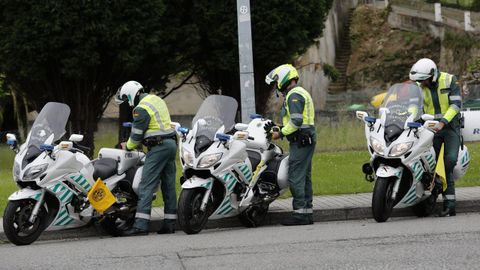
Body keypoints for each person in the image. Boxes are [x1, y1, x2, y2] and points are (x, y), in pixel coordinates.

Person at [114, 80, 178, 235]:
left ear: (130, 95)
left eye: (126, 100)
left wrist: (127, 146)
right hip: (171, 144)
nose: (128, 104)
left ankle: (141, 226)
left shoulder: (140, 109)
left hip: (158, 147)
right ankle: (170, 224)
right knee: (169, 185)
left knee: (146, 185)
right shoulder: (157, 100)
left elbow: (136, 136)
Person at [409, 58, 462, 217]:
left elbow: (455, 105)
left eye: (423, 80)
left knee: (449, 162)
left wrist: (443, 122)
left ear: (432, 75)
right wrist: (410, 118)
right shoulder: (419, 85)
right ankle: (430, 197)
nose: (421, 83)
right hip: (429, 129)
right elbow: (413, 105)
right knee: (429, 164)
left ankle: (449, 204)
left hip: (450, 127)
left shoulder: (450, 80)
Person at [265, 64, 316, 226]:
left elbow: (296, 121)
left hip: (301, 141)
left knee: (295, 176)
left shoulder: (294, 95)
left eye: (277, 81)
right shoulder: (299, 93)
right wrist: (279, 127)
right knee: (305, 177)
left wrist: (279, 133)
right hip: (304, 139)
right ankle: (306, 213)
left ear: (284, 78)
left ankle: (300, 214)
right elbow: (296, 122)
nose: (276, 85)